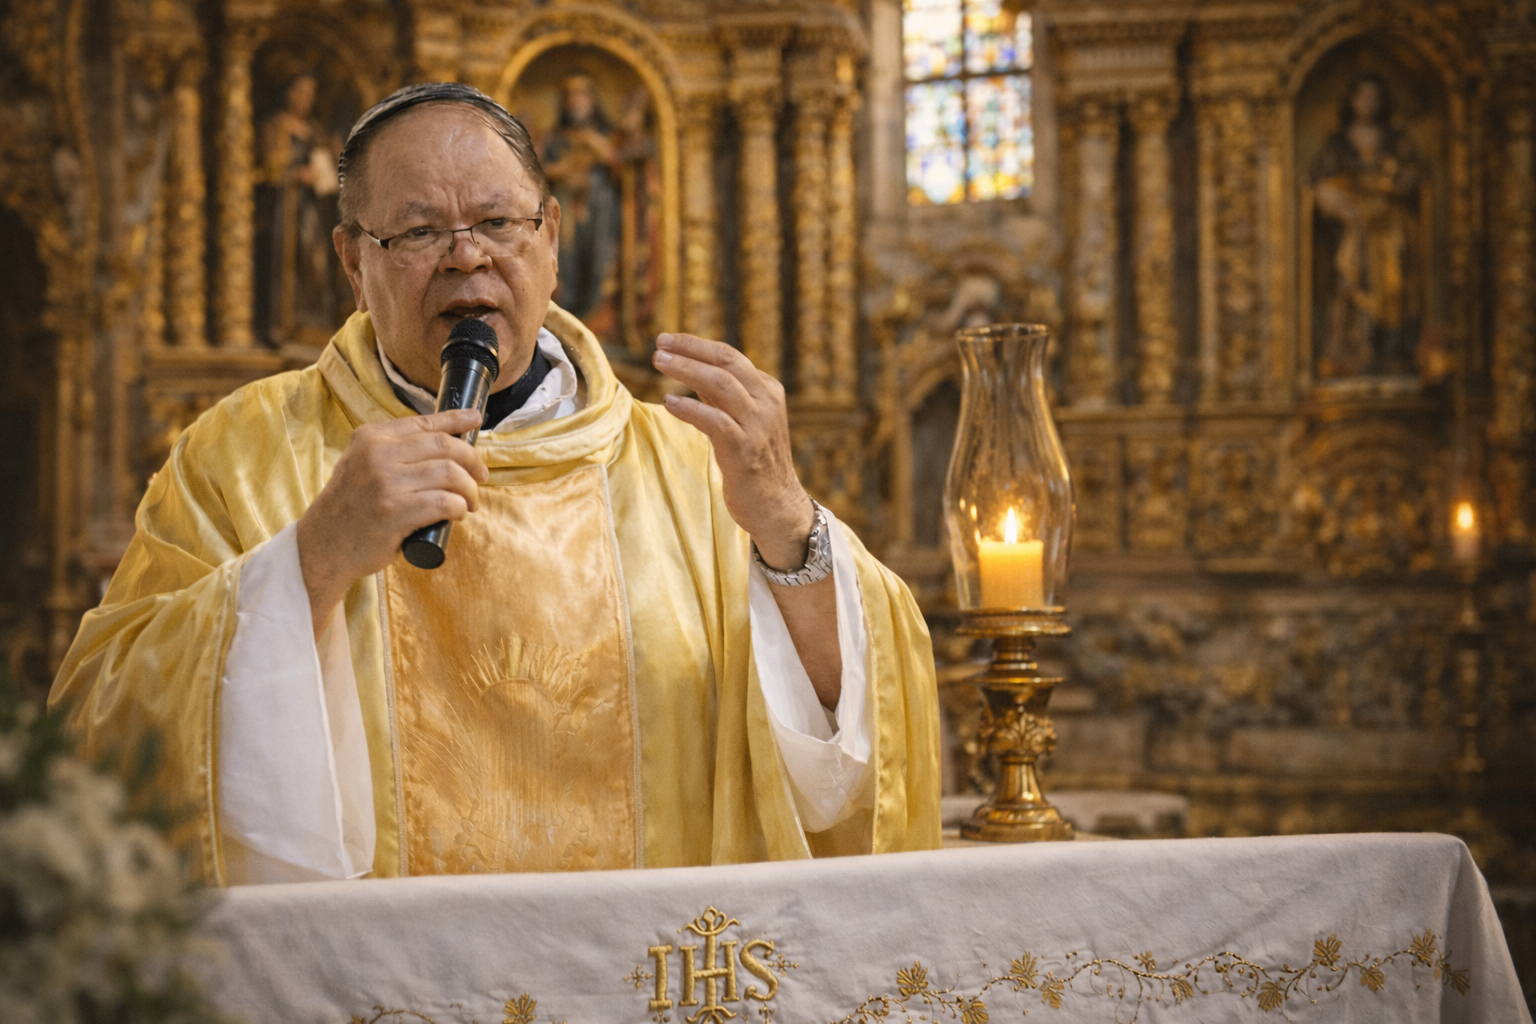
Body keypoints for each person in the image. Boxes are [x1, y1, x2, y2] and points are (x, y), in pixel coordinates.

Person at [49, 83, 940, 884]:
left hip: (645, 974)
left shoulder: (692, 465)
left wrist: (785, 524)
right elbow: (102, 726)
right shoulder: (243, 455)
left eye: (497, 222)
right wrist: (310, 563)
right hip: (374, 981)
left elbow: (862, 745)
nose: (465, 256)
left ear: (551, 236)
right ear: (354, 264)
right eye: (418, 232)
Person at [1310, 73, 1424, 378]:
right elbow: (1320, 184)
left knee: (1394, 287)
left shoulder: (1395, 141)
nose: (1369, 103)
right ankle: (1354, 349)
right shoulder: (1338, 143)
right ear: (1352, 100)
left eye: (1375, 97)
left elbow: (1413, 178)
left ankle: (1392, 352)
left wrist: (1394, 188)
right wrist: (1343, 205)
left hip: (1390, 229)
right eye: (1363, 96)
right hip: (1353, 226)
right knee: (1352, 283)